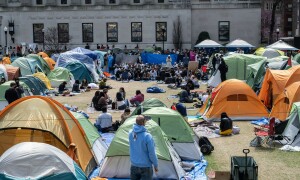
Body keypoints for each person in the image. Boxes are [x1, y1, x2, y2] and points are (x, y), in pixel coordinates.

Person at [129, 115, 158, 179]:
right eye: (145, 121)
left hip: (134, 165)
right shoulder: (147, 136)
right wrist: (155, 164)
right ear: (143, 123)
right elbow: (152, 153)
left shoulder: (130, 133)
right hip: (146, 166)